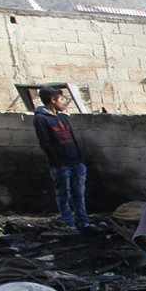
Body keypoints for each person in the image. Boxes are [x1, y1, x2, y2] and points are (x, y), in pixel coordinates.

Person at [33, 85, 93, 232]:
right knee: (64, 195)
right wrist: (58, 163)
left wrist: (80, 159)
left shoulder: (62, 117)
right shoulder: (41, 119)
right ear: (53, 100)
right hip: (61, 165)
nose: (63, 102)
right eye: (61, 99)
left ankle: (83, 222)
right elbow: (45, 143)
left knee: (79, 195)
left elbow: (72, 138)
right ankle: (69, 224)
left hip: (76, 163)